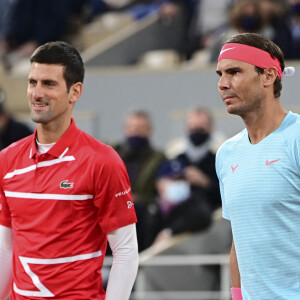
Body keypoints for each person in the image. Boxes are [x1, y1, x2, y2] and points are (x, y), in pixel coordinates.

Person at [0, 41, 138, 300]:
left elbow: (126, 251)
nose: (36, 93)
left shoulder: (103, 161)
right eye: (32, 82)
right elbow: (6, 247)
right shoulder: (6, 160)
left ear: (75, 92)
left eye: (49, 84)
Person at [215, 32, 298, 299]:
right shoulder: (226, 154)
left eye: (235, 72)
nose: (223, 84)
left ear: (269, 76)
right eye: (220, 75)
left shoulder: (296, 139)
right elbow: (238, 242)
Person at [144, 158, 212, 247]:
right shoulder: (151, 210)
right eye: (173, 179)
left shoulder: (195, 201)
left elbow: (202, 216)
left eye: (182, 178)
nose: (179, 183)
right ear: (158, 185)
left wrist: (170, 231)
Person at [174, 107, 221, 211]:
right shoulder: (177, 156)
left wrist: (205, 181)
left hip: (210, 209)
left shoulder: (220, 154)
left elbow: (227, 192)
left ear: (210, 127)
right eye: (193, 127)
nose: (196, 131)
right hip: (180, 207)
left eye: (200, 127)